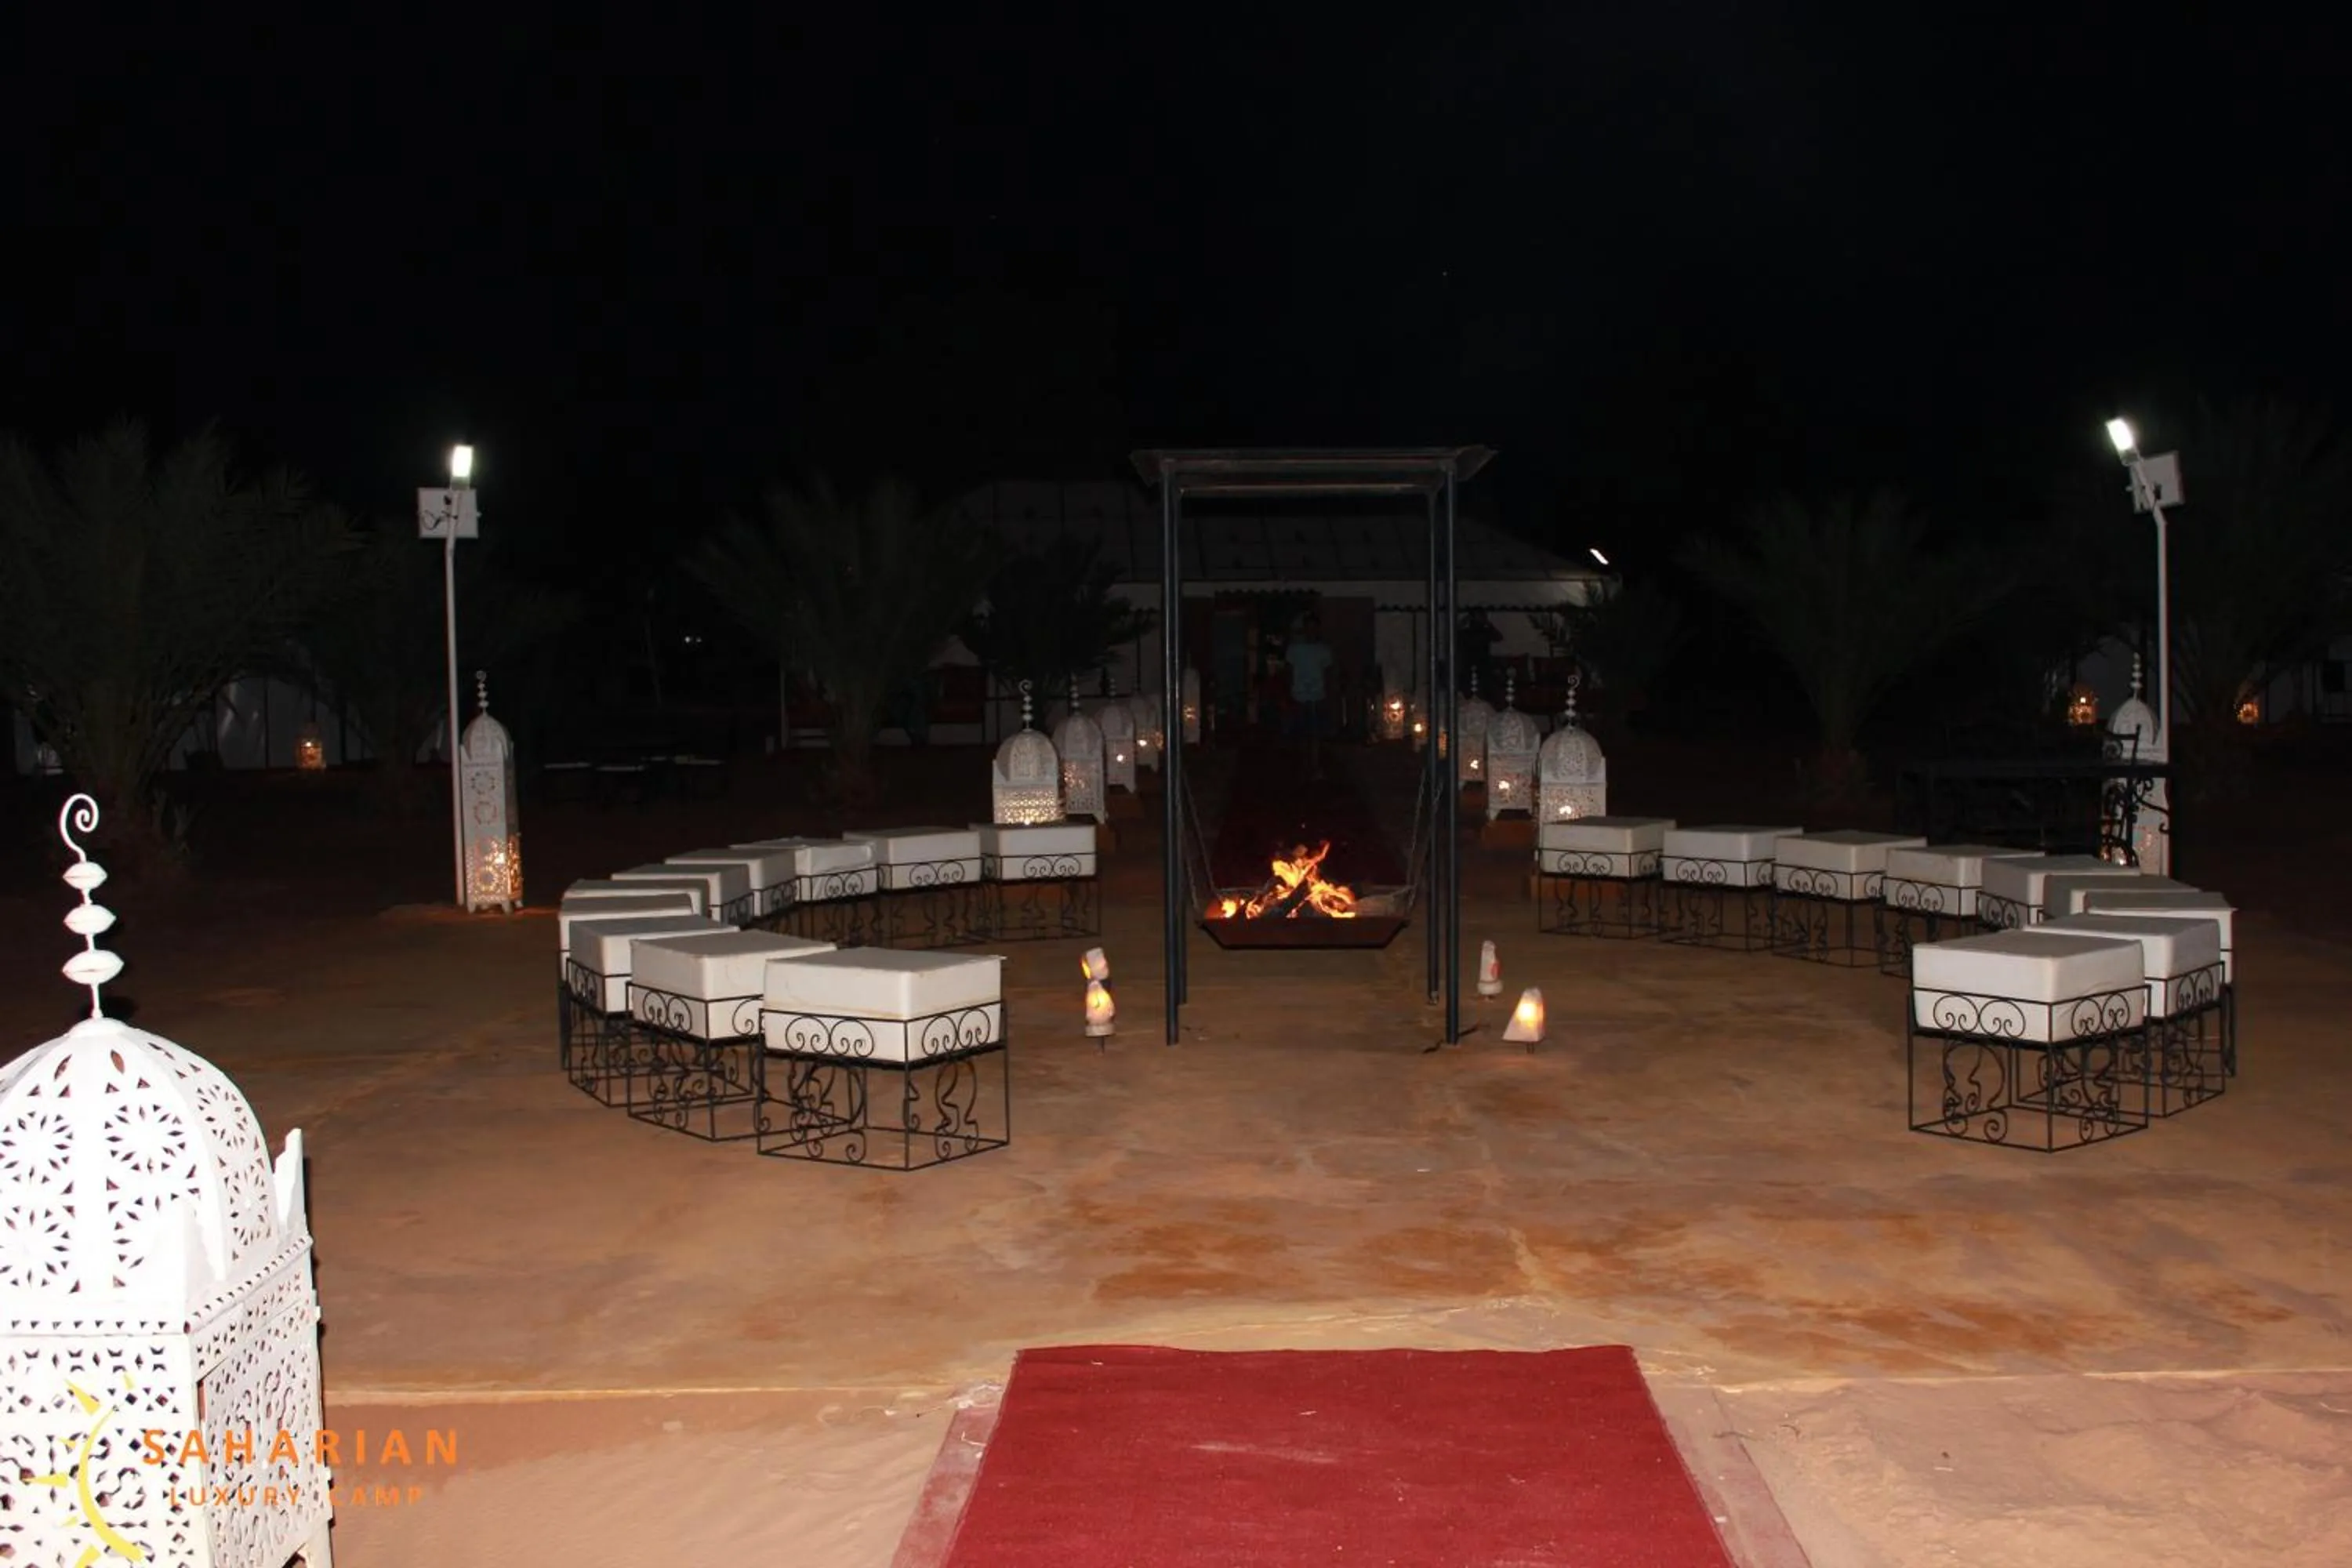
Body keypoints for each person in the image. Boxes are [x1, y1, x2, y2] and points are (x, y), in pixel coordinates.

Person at [1286, 612, 1334, 777]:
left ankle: (1315, 765)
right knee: (1300, 734)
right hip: (1298, 695)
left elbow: (1328, 674)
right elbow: (1289, 672)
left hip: (1317, 696)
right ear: (1304, 629)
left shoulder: (1323, 650)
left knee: (1315, 734)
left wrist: (1328, 695)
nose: (1311, 631)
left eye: (1314, 628)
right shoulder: (1295, 649)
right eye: (1308, 628)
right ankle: (1303, 766)